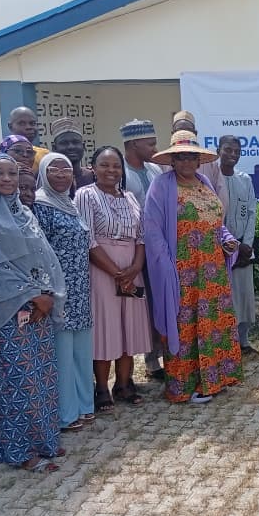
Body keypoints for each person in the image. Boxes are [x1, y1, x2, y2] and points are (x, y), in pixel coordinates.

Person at [0, 153, 66, 473]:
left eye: (12, 173)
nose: (7, 179)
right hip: (7, 312)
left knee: (41, 378)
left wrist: (47, 294)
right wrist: (33, 295)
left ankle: (45, 440)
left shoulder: (23, 213)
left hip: (39, 310)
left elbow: (44, 257)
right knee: (16, 382)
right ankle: (20, 451)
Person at [145, 131, 242, 404]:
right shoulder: (161, 186)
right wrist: (166, 267)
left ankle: (213, 379)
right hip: (182, 272)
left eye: (191, 156)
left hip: (212, 273)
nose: (186, 162)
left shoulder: (204, 184)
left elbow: (215, 222)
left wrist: (227, 239)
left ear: (199, 161)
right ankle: (185, 386)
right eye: (180, 157)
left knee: (212, 325)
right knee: (185, 326)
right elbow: (152, 231)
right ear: (172, 161)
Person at [74, 146, 151, 411]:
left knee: (129, 326)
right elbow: (87, 237)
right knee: (106, 328)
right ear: (93, 168)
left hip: (132, 270)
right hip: (102, 271)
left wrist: (135, 267)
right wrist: (115, 272)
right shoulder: (86, 195)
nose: (111, 170)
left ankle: (124, 383)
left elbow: (141, 235)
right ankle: (101, 387)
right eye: (104, 165)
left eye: (116, 166)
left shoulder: (130, 197)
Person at [34, 153, 95, 430]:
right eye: (54, 169)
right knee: (62, 354)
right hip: (59, 290)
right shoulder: (40, 205)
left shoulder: (71, 205)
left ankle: (85, 405)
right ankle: (66, 414)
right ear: (44, 173)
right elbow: (40, 251)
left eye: (66, 170)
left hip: (80, 288)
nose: (61, 174)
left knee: (81, 351)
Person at [121, 119, 167, 379]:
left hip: (157, 247)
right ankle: (150, 362)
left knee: (159, 302)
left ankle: (160, 355)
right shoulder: (122, 173)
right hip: (133, 249)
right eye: (150, 143)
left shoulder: (154, 170)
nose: (154, 147)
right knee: (142, 304)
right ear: (133, 144)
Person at [213, 136, 258, 355]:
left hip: (243, 248)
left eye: (236, 151)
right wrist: (226, 244)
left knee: (244, 295)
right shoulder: (211, 178)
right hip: (221, 249)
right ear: (218, 150)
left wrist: (246, 244)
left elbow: (251, 212)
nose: (232, 154)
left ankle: (244, 341)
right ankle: (225, 343)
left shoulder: (245, 180)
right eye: (228, 150)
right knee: (225, 297)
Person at [50, 118, 94, 192]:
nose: (71, 147)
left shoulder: (94, 177)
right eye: (64, 143)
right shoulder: (48, 179)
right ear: (54, 148)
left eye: (76, 142)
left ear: (83, 146)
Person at [6, 107, 49, 171]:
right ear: (10, 126)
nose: (28, 127)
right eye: (22, 123)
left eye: (32, 123)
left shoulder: (45, 156)